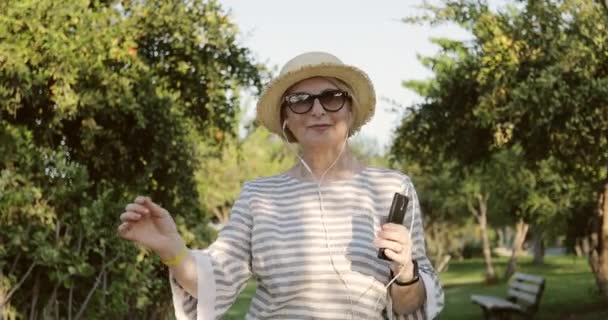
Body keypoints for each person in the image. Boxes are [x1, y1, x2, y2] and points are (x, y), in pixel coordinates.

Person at [118, 52, 444, 319]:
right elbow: (215, 280)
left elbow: (410, 307)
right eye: (301, 100)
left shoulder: (393, 188)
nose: (317, 109)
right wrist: (171, 248)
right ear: (286, 120)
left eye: (331, 97)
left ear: (350, 109)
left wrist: (406, 271)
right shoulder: (259, 195)